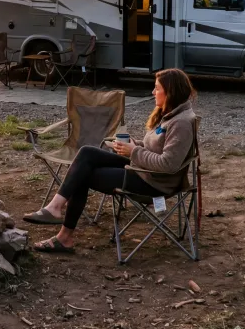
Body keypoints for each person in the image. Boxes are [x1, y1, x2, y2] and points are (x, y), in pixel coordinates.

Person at [22, 68, 197, 253]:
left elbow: (169, 164)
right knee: (87, 153)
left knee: (83, 175)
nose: (153, 92)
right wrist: (132, 144)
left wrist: (134, 151)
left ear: (170, 92)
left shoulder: (181, 123)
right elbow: (156, 148)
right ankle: (55, 207)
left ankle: (63, 237)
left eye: (156, 88)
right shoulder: (171, 114)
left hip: (154, 182)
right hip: (142, 169)